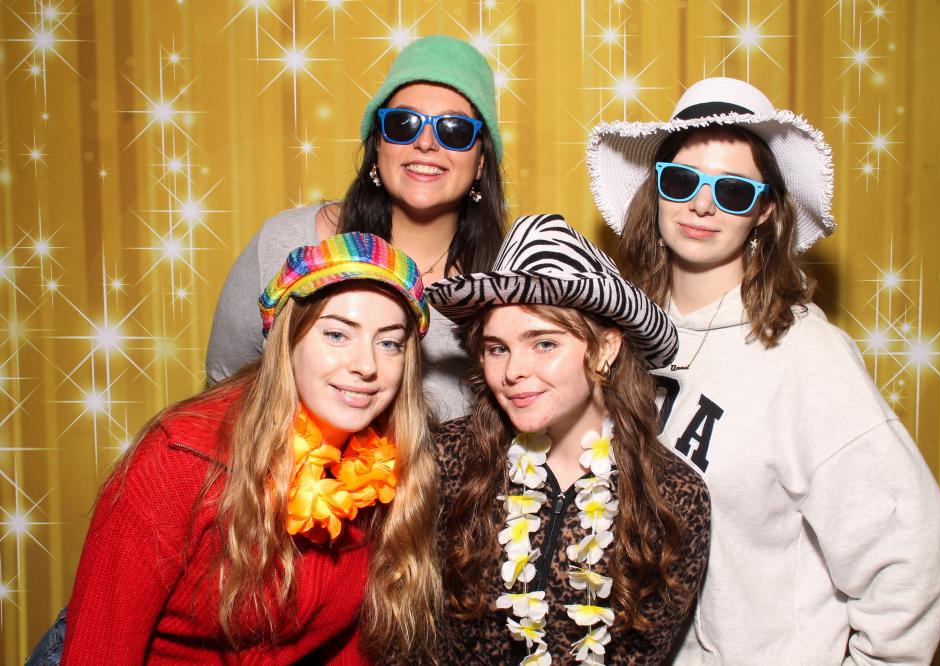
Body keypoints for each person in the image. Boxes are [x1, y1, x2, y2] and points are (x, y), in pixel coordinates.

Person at [587, 77, 940, 663]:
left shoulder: (806, 357)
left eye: (733, 191)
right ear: (656, 191)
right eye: (681, 181)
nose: (702, 205)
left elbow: (910, 547)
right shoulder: (620, 338)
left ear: (764, 212)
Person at [58, 233, 440, 664]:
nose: (367, 365)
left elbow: (347, 651)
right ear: (287, 341)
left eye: (389, 343)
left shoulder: (383, 471)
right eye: (337, 334)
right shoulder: (179, 459)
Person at [426, 214, 711, 664]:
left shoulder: (673, 496)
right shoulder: (449, 459)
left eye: (544, 344)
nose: (513, 371)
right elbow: (411, 630)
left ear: (605, 348)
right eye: (498, 348)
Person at [206, 35, 507, 420]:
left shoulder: (507, 287)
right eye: (403, 123)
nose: (426, 143)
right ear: (378, 144)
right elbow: (220, 400)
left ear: (480, 162)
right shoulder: (286, 245)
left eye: (454, 129)